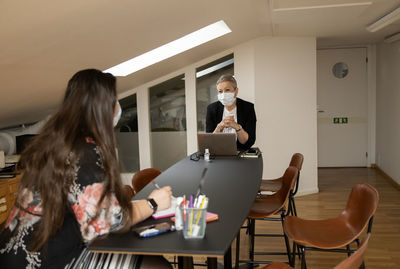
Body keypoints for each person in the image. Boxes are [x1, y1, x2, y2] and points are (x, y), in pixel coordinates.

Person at [0, 69, 173, 268]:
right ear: (101, 108)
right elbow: (110, 220)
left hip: (15, 254)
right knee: (157, 266)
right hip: (47, 261)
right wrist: (153, 203)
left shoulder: (52, 143)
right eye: (114, 101)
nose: (118, 108)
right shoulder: (85, 152)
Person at [206, 74, 256, 150]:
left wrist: (236, 126)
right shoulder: (211, 109)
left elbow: (248, 142)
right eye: (220, 91)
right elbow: (209, 142)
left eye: (227, 90)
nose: (223, 94)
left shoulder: (248, 108)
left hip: (240, 154)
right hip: (218, 153)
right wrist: (220, 127)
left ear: (236, 91)